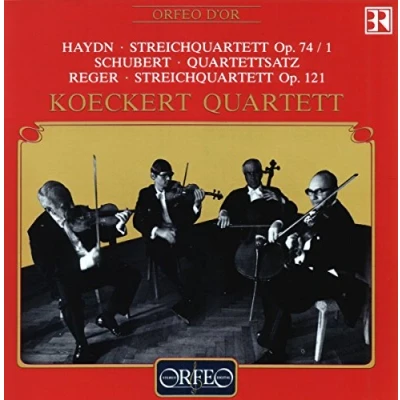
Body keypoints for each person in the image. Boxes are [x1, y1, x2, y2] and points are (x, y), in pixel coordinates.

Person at [256, 170, 367, 363]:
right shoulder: (318, 212)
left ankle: (277, 351)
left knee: (282, 288)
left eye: (320, 192)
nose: (313, 197)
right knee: (270, 277)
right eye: (310, 192)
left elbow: (327, 258)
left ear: (334, 191)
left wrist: (300, 253)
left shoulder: (340, 219)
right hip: (313, 270)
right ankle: (273, 331)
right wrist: (290, 231)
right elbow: (301, 225)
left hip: (335, 277)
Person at [28, 181, 141, 364]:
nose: (72, 207)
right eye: (65, 206)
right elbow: (47, 268)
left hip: (93, 270)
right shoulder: (38, 231)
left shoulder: (79, 213)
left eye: (70, 201)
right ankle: (82, 344)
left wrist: (118, 224)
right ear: (49, 209)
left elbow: (103, 232)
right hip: (67, 277)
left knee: (131, 275)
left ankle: (108, 316)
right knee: (69, 303)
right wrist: (81, 263)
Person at [133, 159, 205, 324]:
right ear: (153, 176)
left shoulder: (177, 191)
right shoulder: (145, 194)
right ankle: (188, 299)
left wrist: (196, 205)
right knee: (169, 263)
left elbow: (188, 219)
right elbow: (138, 221)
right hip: (157, 240)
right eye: (164, 176)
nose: (168, 179)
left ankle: (190, 298)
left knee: (198, 256)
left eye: (170, 176)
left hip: (178, 234)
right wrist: (159, 231)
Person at [217, 158, 297, 293]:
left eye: (256, 172)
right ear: (244, 175)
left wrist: (280, 200)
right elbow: (225, 208)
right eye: (249, 173)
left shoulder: (273, 191)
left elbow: (292, 210)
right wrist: (223, 212)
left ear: (261, 173)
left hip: (268, 239)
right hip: (243, 240)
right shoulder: (236, 194)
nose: (253, 176)